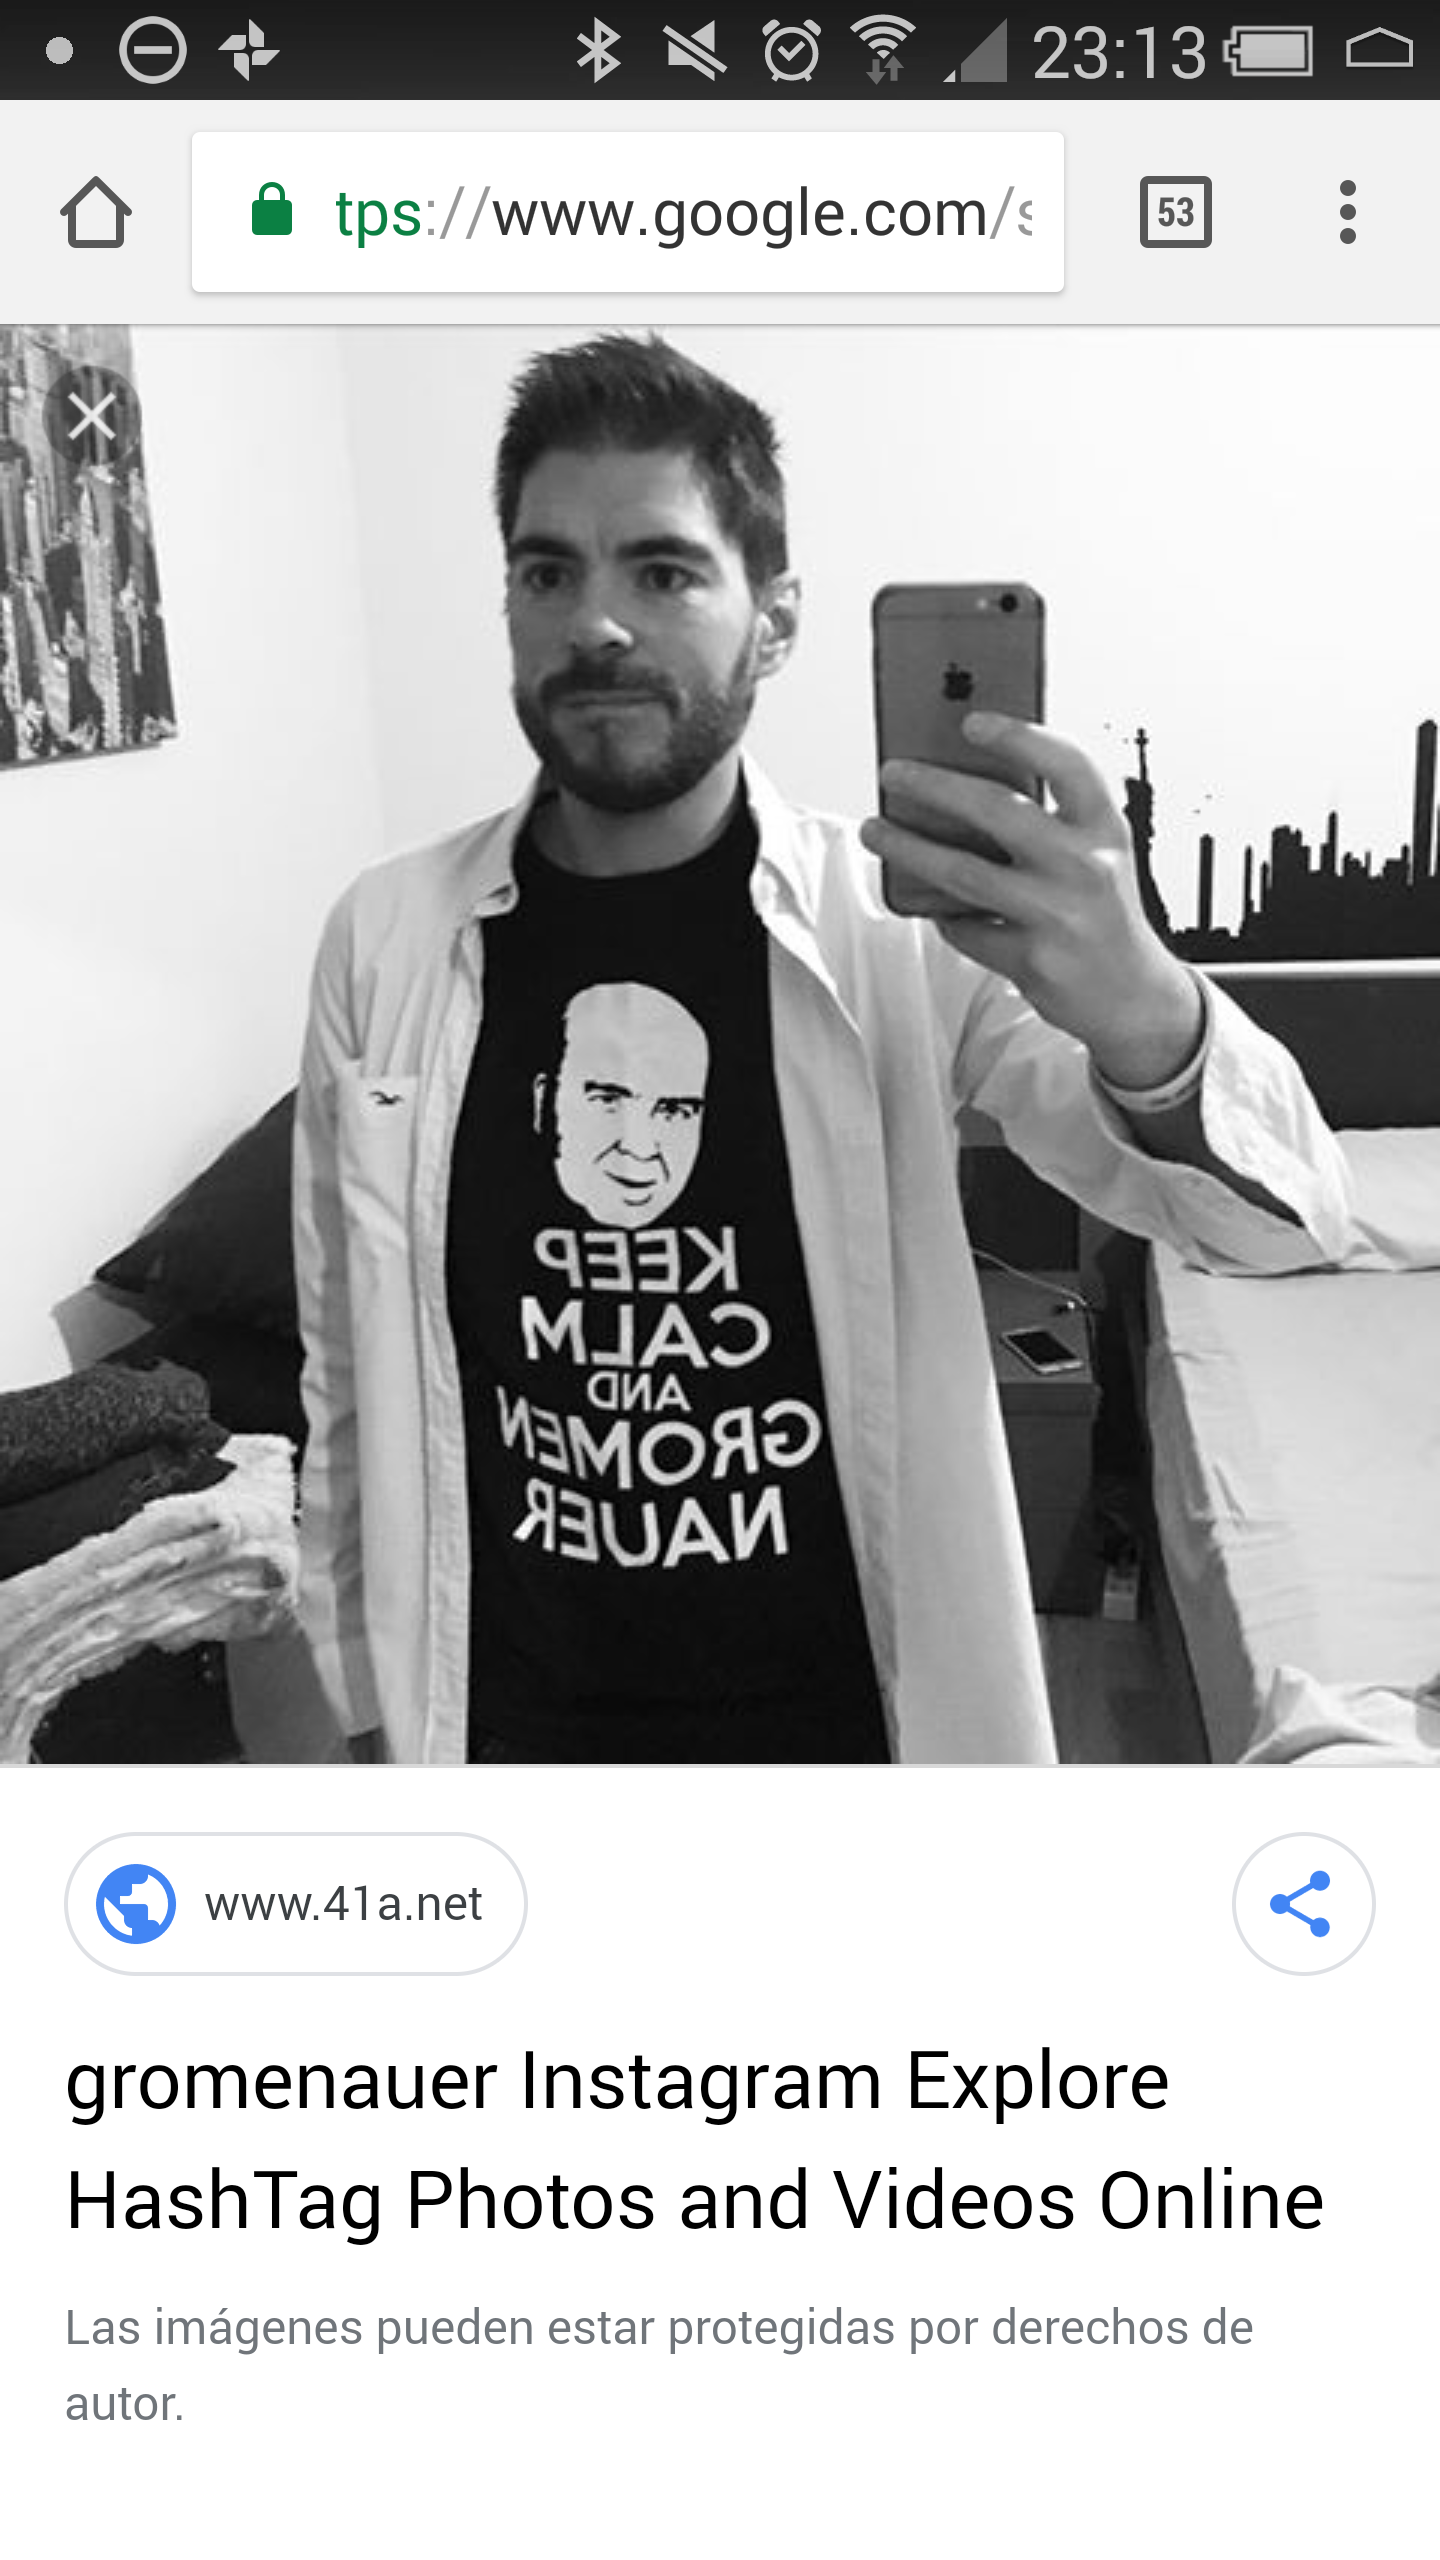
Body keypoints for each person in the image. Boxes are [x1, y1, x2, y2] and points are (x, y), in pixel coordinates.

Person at [293, 333, 1351, 1767]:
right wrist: (356, 1705)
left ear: (776, 621)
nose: (596, 624)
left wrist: (1140, 1001)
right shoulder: (388, 937)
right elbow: (348, 1373)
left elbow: (1275, 1228)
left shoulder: (905, 930)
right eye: (548, 572)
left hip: (849, 1744)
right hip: (504, 1737)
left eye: (663, 573)